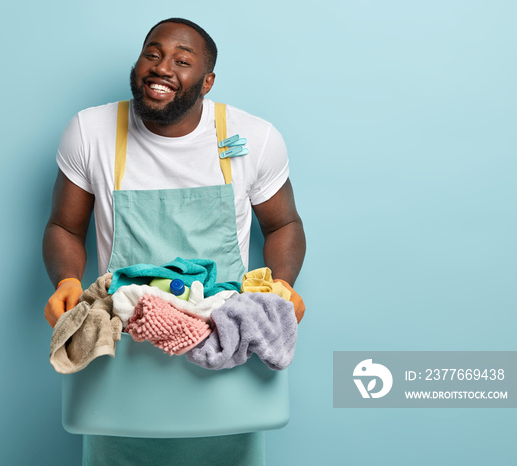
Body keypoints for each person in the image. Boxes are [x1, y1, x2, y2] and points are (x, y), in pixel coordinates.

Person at [42, 17, 305, 466]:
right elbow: (65, 227)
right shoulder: (92, 132)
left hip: (225, 357)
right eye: (152, 53)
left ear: (207, 82)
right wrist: (66, 281)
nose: (161, 67)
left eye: (182, 61)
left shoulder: (254, 139)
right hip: (125, 365)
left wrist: (281, 286)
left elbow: (284, 226)